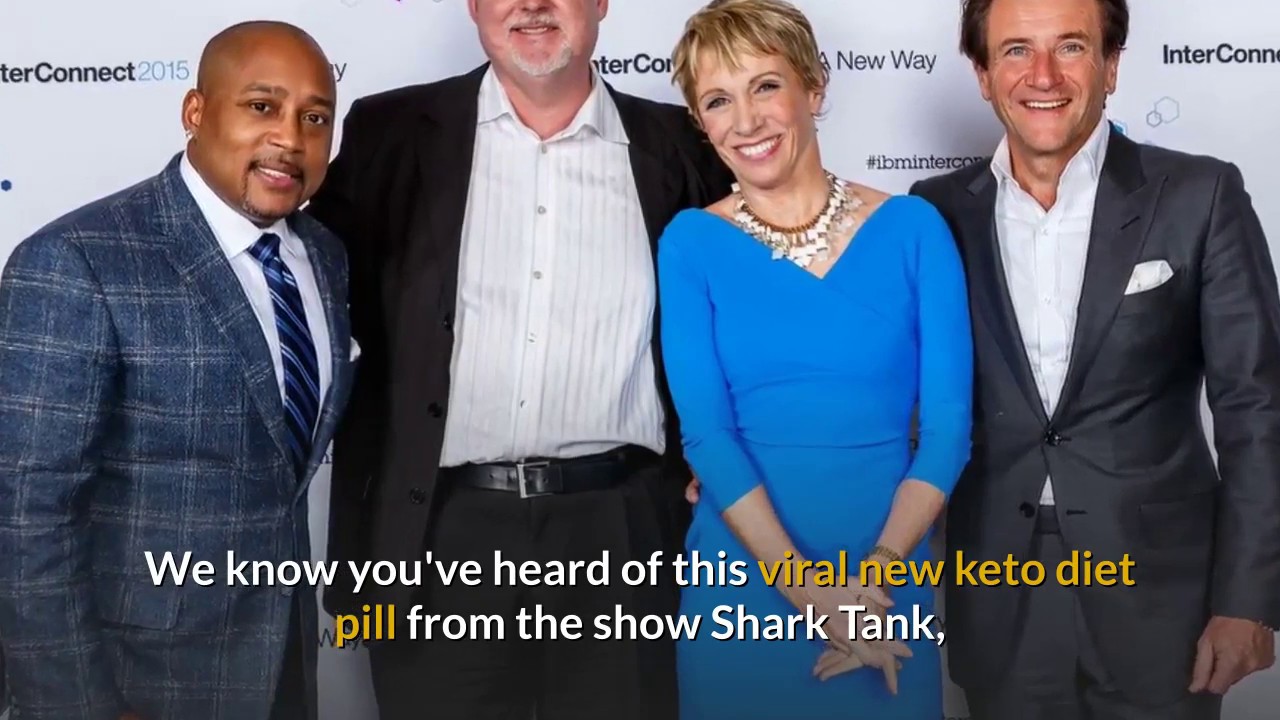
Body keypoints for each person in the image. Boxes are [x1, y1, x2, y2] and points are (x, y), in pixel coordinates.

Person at [303, 0, 733, 717]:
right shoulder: (389, 132)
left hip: (624, 536)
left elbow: (751, 310)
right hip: (436, 538)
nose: (532, 5)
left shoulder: (683, 145)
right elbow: (299, 279)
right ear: (475, 6)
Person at [908, 0, 1280, 717]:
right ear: (982, 75)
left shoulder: (1201, 194)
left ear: (1111, 66)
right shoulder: (934, 212)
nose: (1043, 75)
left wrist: (1249, 598)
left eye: (1071, 47)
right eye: (1016, 51)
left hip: (1161, 589)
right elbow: (897, 386)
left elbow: (1257, 408)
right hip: (999, 586)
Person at [0, 21, 351, 720]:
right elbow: (25, 518)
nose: (290, 138)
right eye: (262, 106)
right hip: (136, 682)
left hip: (283, 665)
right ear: (196, 111)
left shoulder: (324, 255)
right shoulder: (76, 261)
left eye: (315, 118)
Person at [658, 1, 974, 718]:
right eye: (718, 101)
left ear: (814, 86)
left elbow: (949, 432)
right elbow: (707, 436)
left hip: (886, 582)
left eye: (765, 86)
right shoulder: (690, 243)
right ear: (701, 122)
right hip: (745, 584)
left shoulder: (913, 229)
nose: (746, 120)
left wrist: (869, 588)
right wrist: (813, 595)